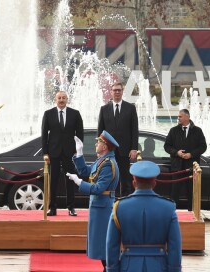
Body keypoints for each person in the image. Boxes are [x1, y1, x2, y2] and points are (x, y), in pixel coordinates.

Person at [106, 160, 182, 272]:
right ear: (154, 183)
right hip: (159, 266)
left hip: (128, 266)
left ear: (134, 183)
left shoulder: (119, 207)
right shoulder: (168, 207)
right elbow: (175, 245)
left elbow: (111, 245)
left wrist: (112, 269)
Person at [66, 130, 119, 272]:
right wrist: (79, 153)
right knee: (101, 245)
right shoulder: (102, 160)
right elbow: (85, 171)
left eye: (99, 142)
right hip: (98, 206)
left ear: (105, 146)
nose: (96, 144)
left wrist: (79, 183)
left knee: (104, 245)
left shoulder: (108, 163)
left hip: (103, 207)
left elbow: (99, 188)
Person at [42, 90, 84, 216]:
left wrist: (78, 150)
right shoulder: (48, 114)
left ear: (67, 99)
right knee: (53, 181)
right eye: (59, 98)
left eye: (64, 98)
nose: (61, 100)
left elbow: (80, 133)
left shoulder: (75, 114)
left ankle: (71, 207)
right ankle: (52, 208)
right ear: (56, 100)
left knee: (70, 179)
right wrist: (45, 153)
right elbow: (44, 134)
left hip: (69, 153)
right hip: (53, 153)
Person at [97, 81, 138, 196]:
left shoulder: (130, 108)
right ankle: (111, 203)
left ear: (122, 92)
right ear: (111, 92)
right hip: (108, 151)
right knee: (110, 178)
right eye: (115, 90)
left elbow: (134, 130)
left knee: (125, 179)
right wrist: (100, 149)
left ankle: (124, 203)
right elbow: (100, 131)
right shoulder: (104, 109)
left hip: (125, 151)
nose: (117, 92)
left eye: (119, 90)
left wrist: (134, 148)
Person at [164, 108, 207, 211]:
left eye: (180, 116)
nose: (178, 118)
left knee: (191, 192)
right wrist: (176, 152)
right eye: (178, 116)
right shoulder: (173, 130)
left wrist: (191, 154)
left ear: (187, 117)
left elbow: (203, 146)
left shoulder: (197, 131)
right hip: (177, 167)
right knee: (175, 192)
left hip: (192, 167)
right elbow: (167, 146)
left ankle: (192, 213)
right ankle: (172, 213)